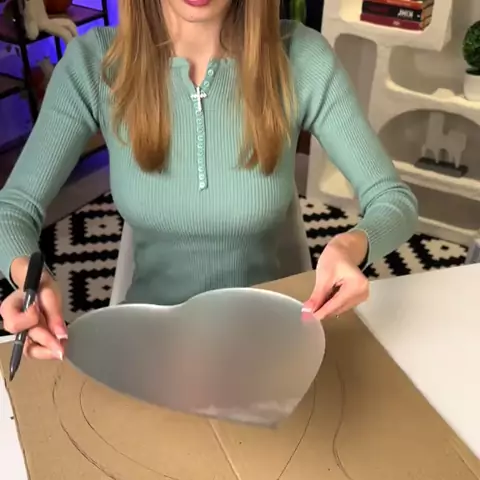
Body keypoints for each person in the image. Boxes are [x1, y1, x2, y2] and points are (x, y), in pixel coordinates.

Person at [0, 0, 417, 362]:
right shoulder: (93, 64)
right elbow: (12, 210)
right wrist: (33, 282)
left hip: (274, 343)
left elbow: (392, 199)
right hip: (150, 343)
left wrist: (351, 247)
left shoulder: (303, 57)